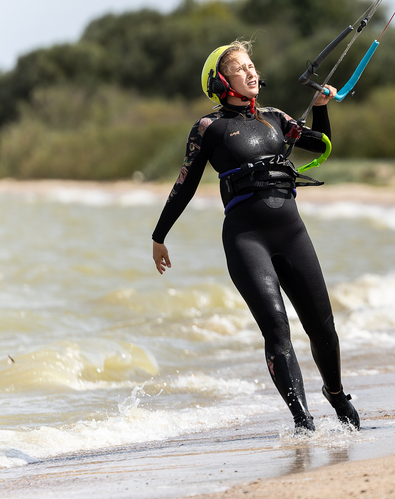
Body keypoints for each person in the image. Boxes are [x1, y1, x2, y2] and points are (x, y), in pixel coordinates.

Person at [151, 40, 360, 430]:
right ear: (220, 80)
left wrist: (320, 109)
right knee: (277, 328)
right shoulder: (209, 128)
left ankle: (335, 394)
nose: (251, 72)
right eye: (240, 68)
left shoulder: (276, 118)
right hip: (247, 239)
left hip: (292, 234)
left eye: (252, 66)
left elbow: (321, 142)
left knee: (322, 327)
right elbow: (185, 184)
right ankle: (302, 420)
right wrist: (159, 235)